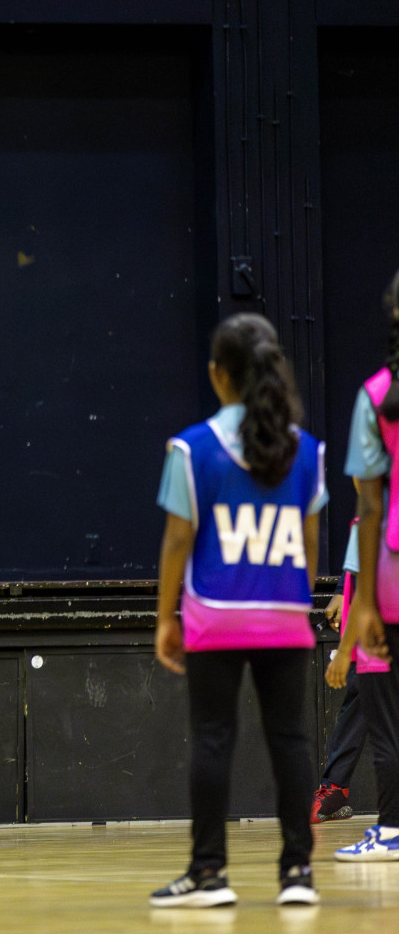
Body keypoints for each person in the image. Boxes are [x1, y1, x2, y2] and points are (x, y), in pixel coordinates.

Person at [150, 313, 325, 908]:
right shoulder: (306, 451)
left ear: (218, 375)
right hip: (284, 613)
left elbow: (178, 541)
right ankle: (297, 874)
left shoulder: (192, 447)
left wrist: (166, 617)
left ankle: (208, 874)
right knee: (292, 743)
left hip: (215, 614)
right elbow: (308, 543)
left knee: (213, 740)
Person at [334, 267, 399, 862]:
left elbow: (369, 505)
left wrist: (366, 606)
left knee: (386, 717)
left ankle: (394, 829)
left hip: (392, 579)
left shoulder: (377, 394)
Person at [311, 509, 390, 824]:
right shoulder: (375, 498)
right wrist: (344, 590)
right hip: (382, 612)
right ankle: (335, 788)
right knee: (362, 690)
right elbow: (364, 542)